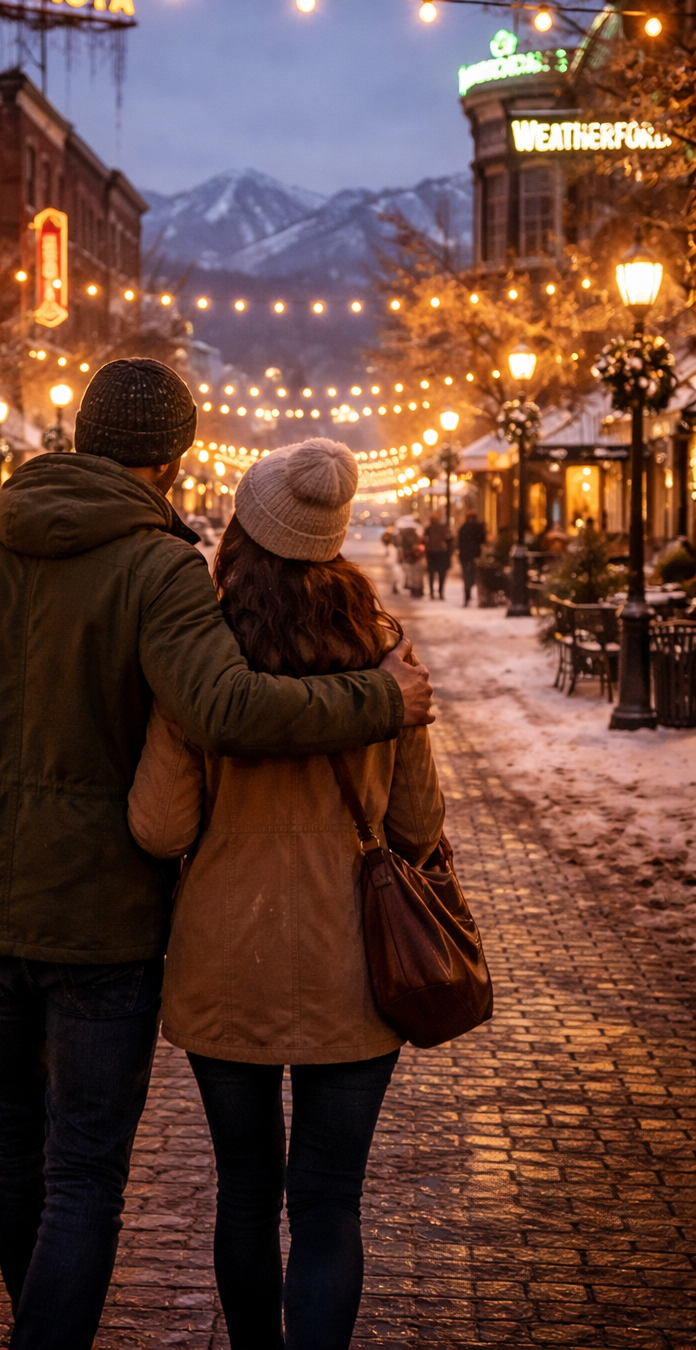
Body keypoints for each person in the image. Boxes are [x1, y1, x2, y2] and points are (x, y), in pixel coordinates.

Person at [0, 361, 434, 1350]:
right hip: (103, 919)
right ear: (173, 460)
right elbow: (221, 709)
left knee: (16, 1145)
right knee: (84, 1172)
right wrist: (380, 701)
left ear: (80, 435)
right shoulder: (157, 565)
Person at [128, 438, 445, 1350]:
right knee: (328, 1199)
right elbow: (418, 824)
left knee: (246, 1189)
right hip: (357, 964)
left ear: (244, 533)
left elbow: (159, 826)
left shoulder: (205, 662)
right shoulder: (385, 655)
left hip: (227, 962)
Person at [457, 508, 487, 607]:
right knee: (476, 576)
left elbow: (459, 542)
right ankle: (475, 595)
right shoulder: (478, 527)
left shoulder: (463, 528)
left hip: (465, 555)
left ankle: (467, 596)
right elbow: (483, 540)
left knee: (466, 576)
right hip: (475, 555)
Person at [424, 514, 450, 600]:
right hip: (440, 551)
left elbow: (425, 539)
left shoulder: (428, 528)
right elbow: (447, 538)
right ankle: (440, 592)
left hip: (431, 551)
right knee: (441, 573)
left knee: (431, 573)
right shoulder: (442, 527)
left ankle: (431, 592)